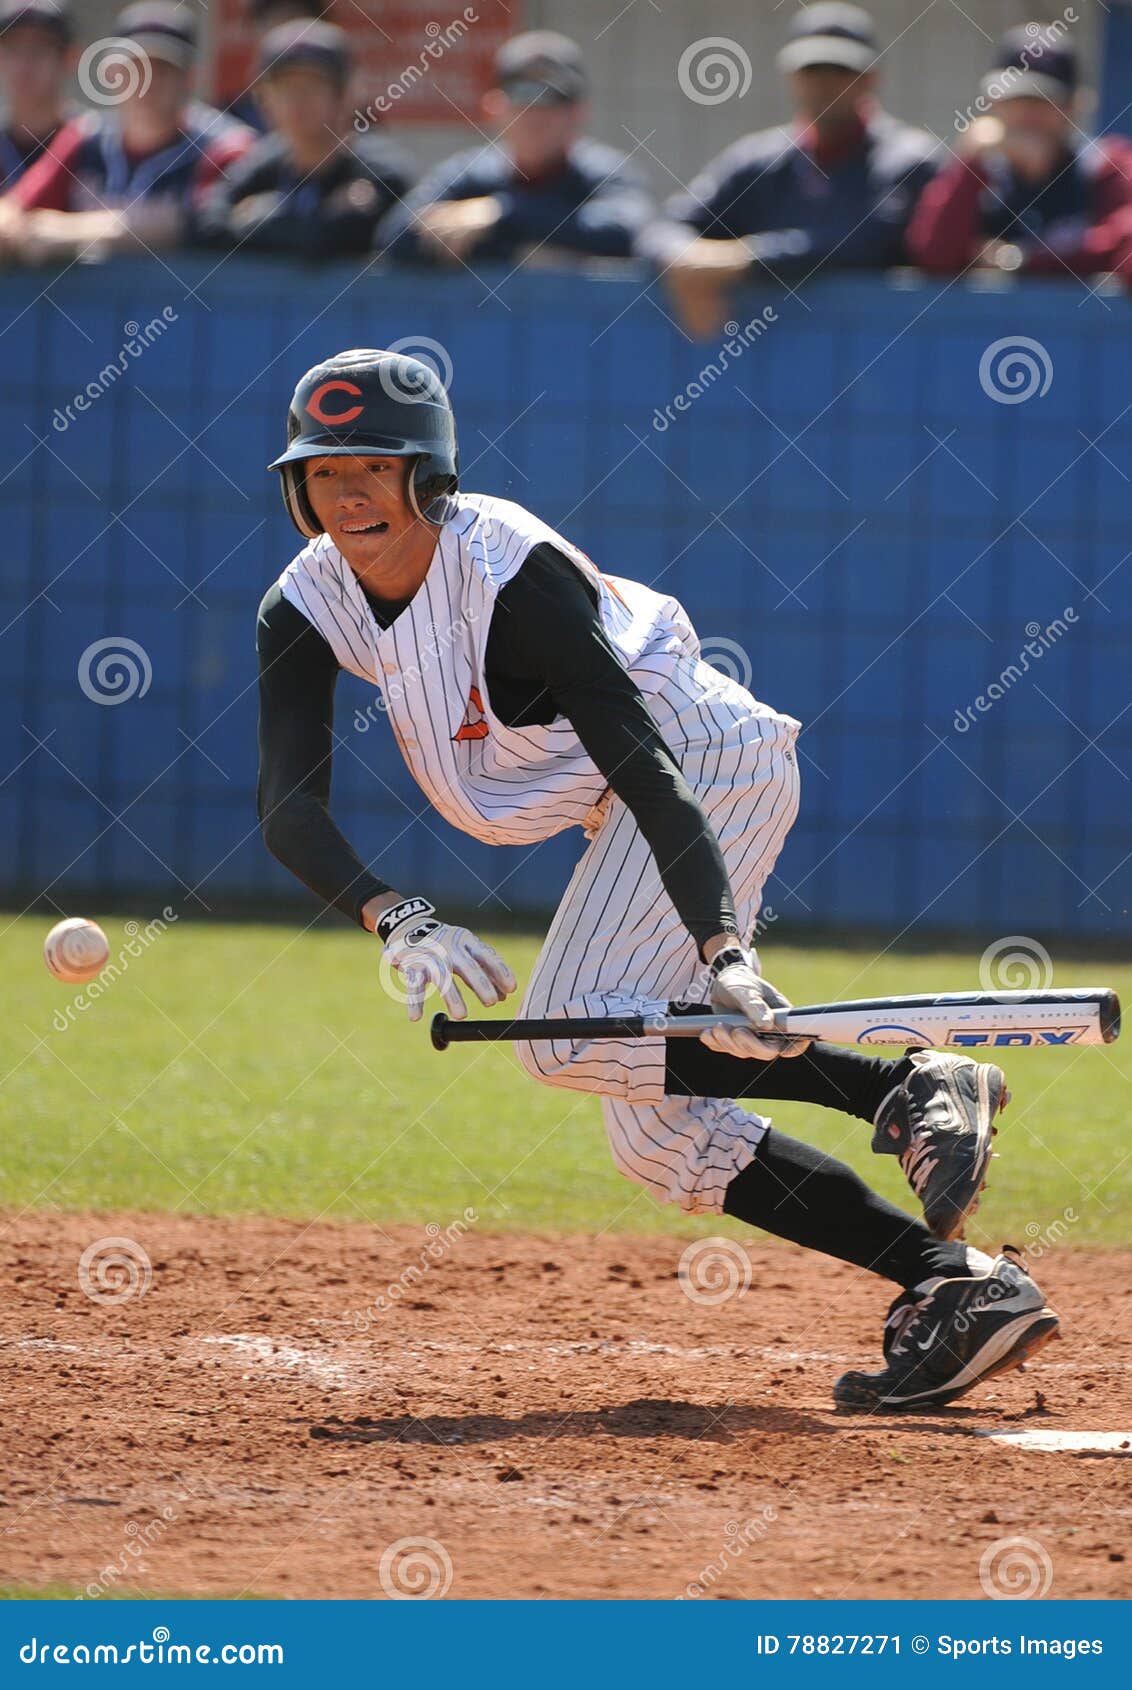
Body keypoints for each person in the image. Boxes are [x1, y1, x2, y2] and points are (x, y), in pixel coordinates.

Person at [254, 346, 1060, 1412]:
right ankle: (959, 1287)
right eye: (321, 471)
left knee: (572, 1034)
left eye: (371, 465)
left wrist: (726, 955)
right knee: (658, 1133)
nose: (345, 491)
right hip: (619, 799)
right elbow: (287, 805)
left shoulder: (507, 574)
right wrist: (394, 917)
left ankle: (899, 1084)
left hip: (699, 765)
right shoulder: (305, 603)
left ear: (427, 474)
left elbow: (646, 764)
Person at [638, 4, 938, 337]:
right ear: (791, 76)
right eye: (812, 70)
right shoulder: (757, 159)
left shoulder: (909, 159)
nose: (825, 84)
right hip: (766, 369)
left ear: (871, 78)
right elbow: (664, 226)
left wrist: (742, 260)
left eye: (840, 70)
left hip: (880, 360)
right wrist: (685, 266)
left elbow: (867, 241)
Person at [2, 2, 252, 265]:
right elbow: (16, 207)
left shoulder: (224, 148)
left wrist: (69, 232)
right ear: (113, 73)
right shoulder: (86, 138)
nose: (147, 83)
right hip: (98, 305)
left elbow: (197, 223)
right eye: (134, 68)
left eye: (161, 68)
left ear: (189, 78)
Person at [378, 31, 652, 268]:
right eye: (522, 93)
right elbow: (397, 236)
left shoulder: (605, 172)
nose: (535, 112)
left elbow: (628, 233)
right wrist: (523, 250)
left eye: (553, 96)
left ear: (578, 112)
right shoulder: (470, 174)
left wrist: (502, 214)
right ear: (493, 108)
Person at [908, 26, 1132, 278]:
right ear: (994, 103)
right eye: (1015, 100)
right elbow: (934, 257)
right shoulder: (978, 169)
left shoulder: (1107, 166)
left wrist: (1021, 259)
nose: (1027, 114)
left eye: (1043, 101)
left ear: (1074, 106)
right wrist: (969, 164)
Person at [195, 21, 414, 260]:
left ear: (344, 94)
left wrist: (256, 220)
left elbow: (341, 237)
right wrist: (295, 215)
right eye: (285, 88)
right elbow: (208, 225)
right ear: (263, 98)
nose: (298, 101)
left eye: (313, 85)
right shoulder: (262, 164)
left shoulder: (381, 173)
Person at [0, 0, 73, 190]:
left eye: (38, 49)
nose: (24, 64)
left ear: (68, 58)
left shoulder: (96, 146)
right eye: (13, 49)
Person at [232, 0, 326, 133]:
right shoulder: (230, 124)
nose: (287, 37)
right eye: (274, 22)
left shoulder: (344, 119)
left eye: (296, 22)